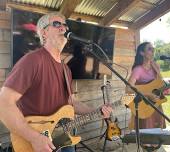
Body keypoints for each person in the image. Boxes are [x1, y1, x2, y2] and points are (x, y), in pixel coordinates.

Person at [0, 12, 112, 152]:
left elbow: (71, 102)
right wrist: (35, 138)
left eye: (65, 25)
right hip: (37, 142)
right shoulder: (33, 61)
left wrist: (96, 111)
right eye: (56, 24)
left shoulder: (66, 70)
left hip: (64, 139)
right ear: (44, 32)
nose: (63, 28)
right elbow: (4, 103)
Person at [126, 42, 166, 130]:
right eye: (149, 49)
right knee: (147, 134)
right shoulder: (138, 69)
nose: (153, 51)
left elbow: (161, 84)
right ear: (142, 53)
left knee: (157, 134)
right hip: (144, 105)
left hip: (156, 104)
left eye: (153, 49)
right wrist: (147, 94)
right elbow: (128, 89)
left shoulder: (156, 66)